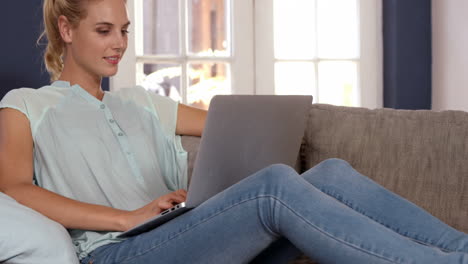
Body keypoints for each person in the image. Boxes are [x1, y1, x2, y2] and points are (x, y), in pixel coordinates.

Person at [0, 0, 467, 263]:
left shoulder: (143, 103)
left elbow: (233, 128)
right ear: (65, 27)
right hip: (116, 252)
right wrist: (127, 218)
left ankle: (459, 250)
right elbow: (14, 188)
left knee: (332, 173)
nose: (119, 43)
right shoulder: (25, 105)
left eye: (123, 29)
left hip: (182, 233)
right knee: (275, 186)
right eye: (104, 30)